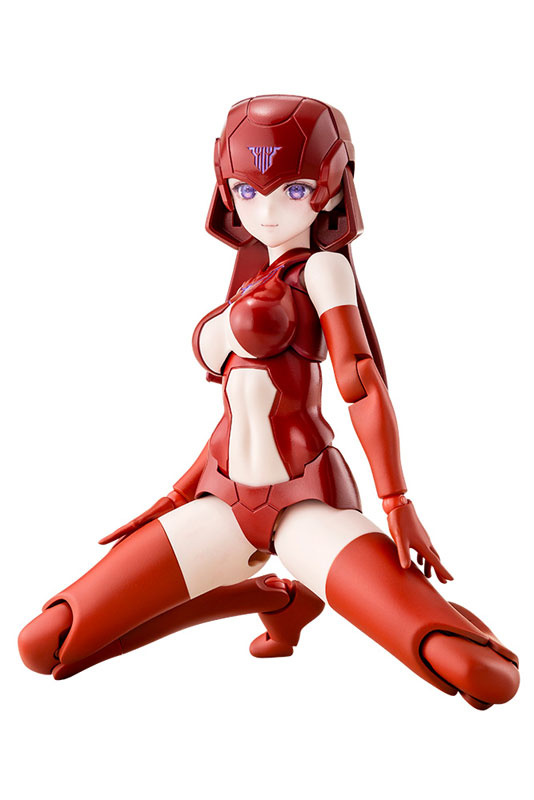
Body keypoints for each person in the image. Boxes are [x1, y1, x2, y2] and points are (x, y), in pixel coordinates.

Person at [18, 95, 519, 709]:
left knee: (481, 675)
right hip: (221, 499)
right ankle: (275, 599)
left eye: (294, 189)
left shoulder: (323, 272)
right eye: (248, 192)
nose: (269, 211)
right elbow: (236, 404)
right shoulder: (248, 278)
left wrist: (397, 500)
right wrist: (180, 491)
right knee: (45, 646)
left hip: (306, 504)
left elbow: (361, 383)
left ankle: (376, 601)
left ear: (331, 189)